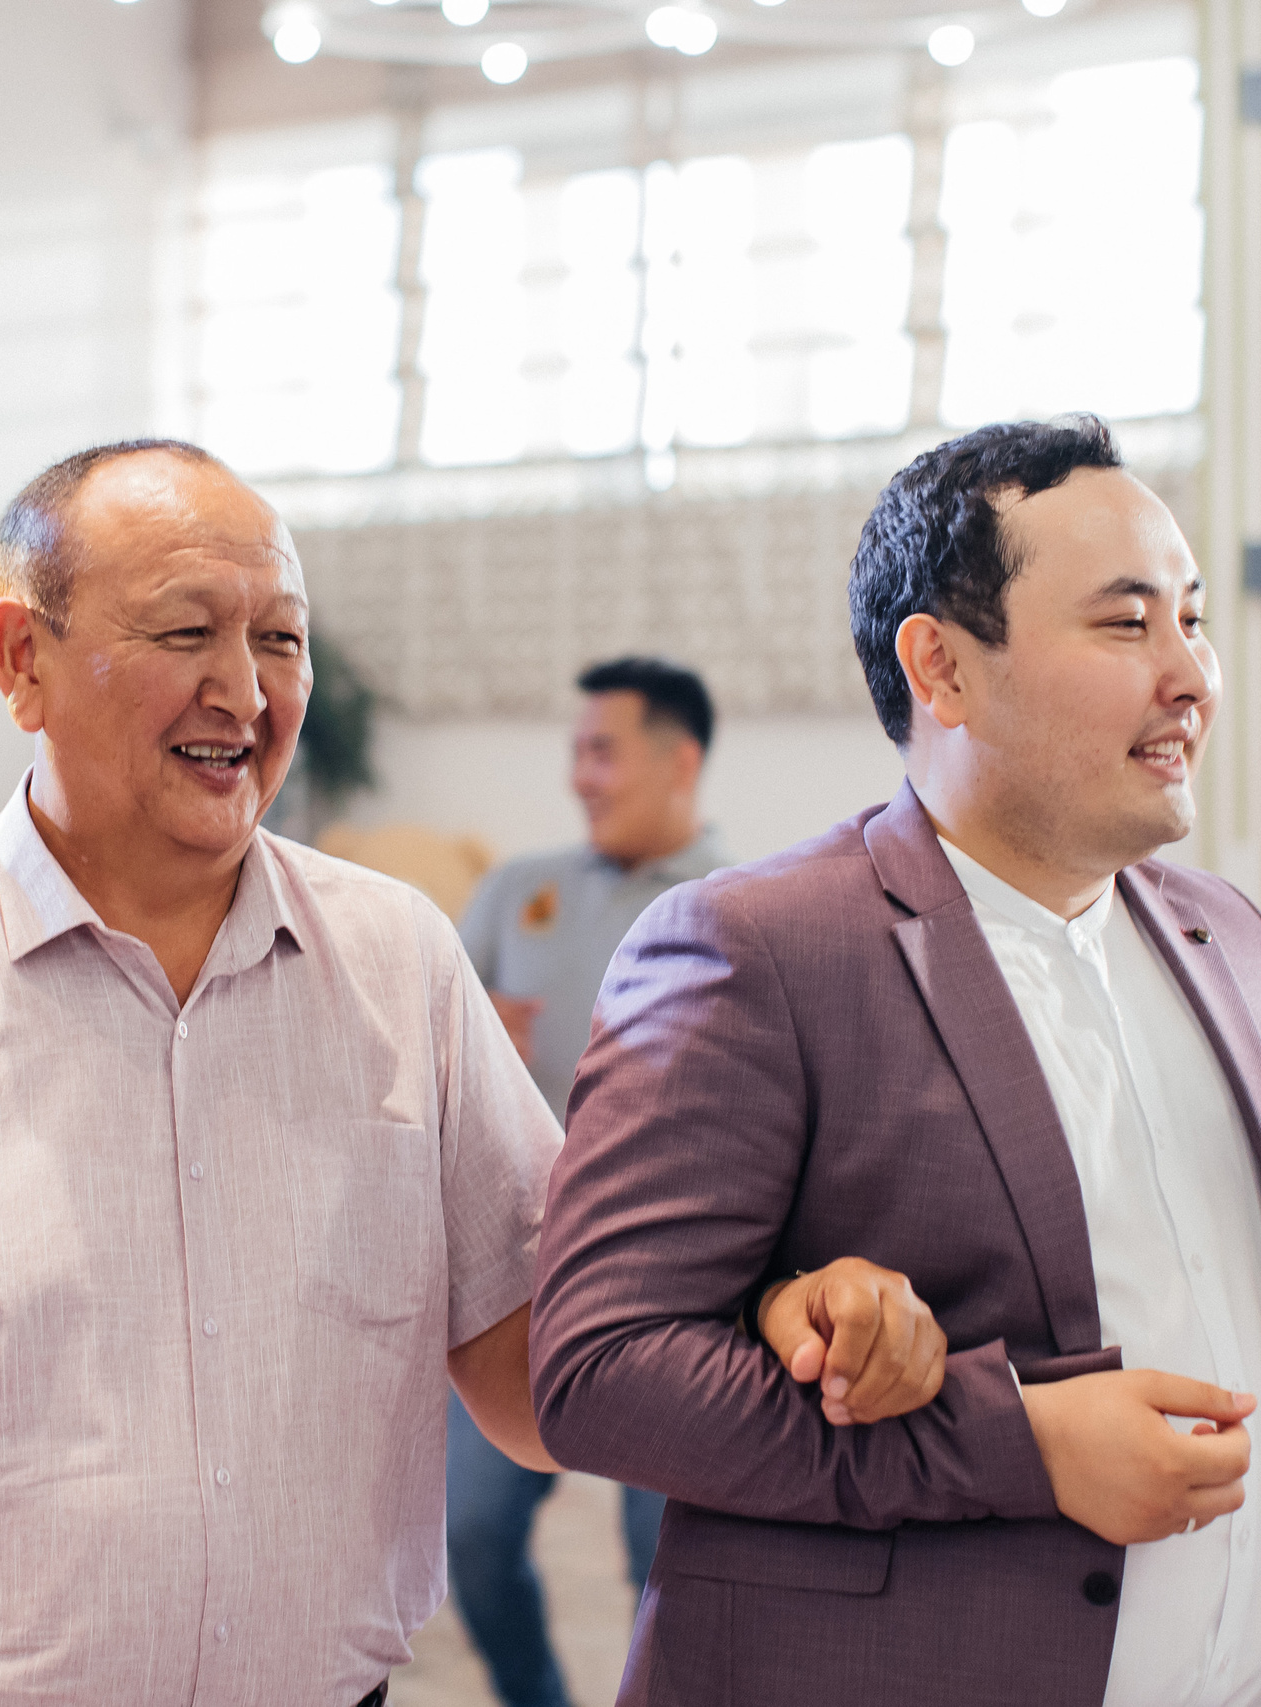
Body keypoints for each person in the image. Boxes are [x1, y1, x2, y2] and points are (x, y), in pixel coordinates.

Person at [0, 439, 894, 1707]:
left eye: (280, 640)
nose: (245, 690)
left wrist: (775, 1312)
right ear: (23, 661)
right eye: (186, 633)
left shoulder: (397, 963)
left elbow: (537, 1374)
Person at [530, 417, 1261, 1706]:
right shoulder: (759, 952)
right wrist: (1018, 1444)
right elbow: (600, 1374)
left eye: (1195, 620)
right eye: (1127, 627)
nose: (1190, 677)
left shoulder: (1224, 935)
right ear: (942, 669)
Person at [450, 657, 729, 1707]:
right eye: (575, 752)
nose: (582, 776)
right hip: (514, 1272)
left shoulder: (739, 904)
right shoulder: (521, 890)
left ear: (680, 760)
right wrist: (473, 1011)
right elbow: (422, 1028)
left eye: (602, 750)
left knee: (669, 1559)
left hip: (678, 1287)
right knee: (471, 1534)